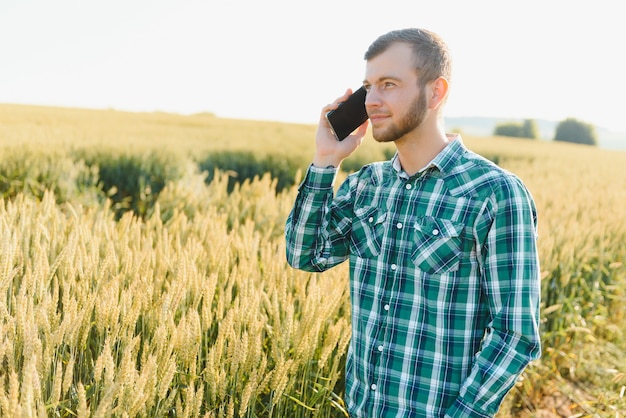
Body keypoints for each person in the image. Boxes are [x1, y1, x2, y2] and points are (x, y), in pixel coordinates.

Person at [285, 28, 541, 417]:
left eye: (389, 85)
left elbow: (516, 334)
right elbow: (305, 255)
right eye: (368, 86)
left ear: (435, 92)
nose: (372, 100)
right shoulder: (366, 186)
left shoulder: (495, 193)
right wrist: (325, 160)